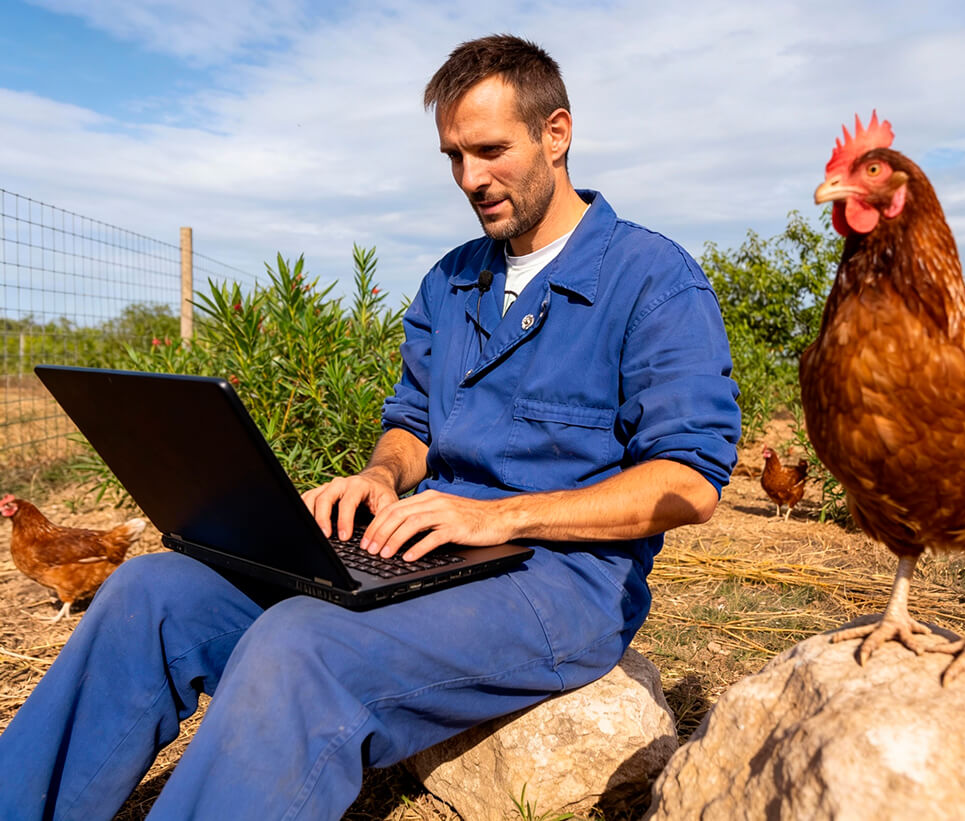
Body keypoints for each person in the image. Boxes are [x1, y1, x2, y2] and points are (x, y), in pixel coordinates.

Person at [0, 34, 740, 820]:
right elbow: (411, 421)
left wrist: (500, 515)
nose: (470, 178)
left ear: (556, 133)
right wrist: (382, 475)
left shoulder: (653, 280)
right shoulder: (451, 279)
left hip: (560, 583)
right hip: (424, 549)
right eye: (454, 156)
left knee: (301, 646)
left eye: (491, 151)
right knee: (150, 590)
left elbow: (690, 483)